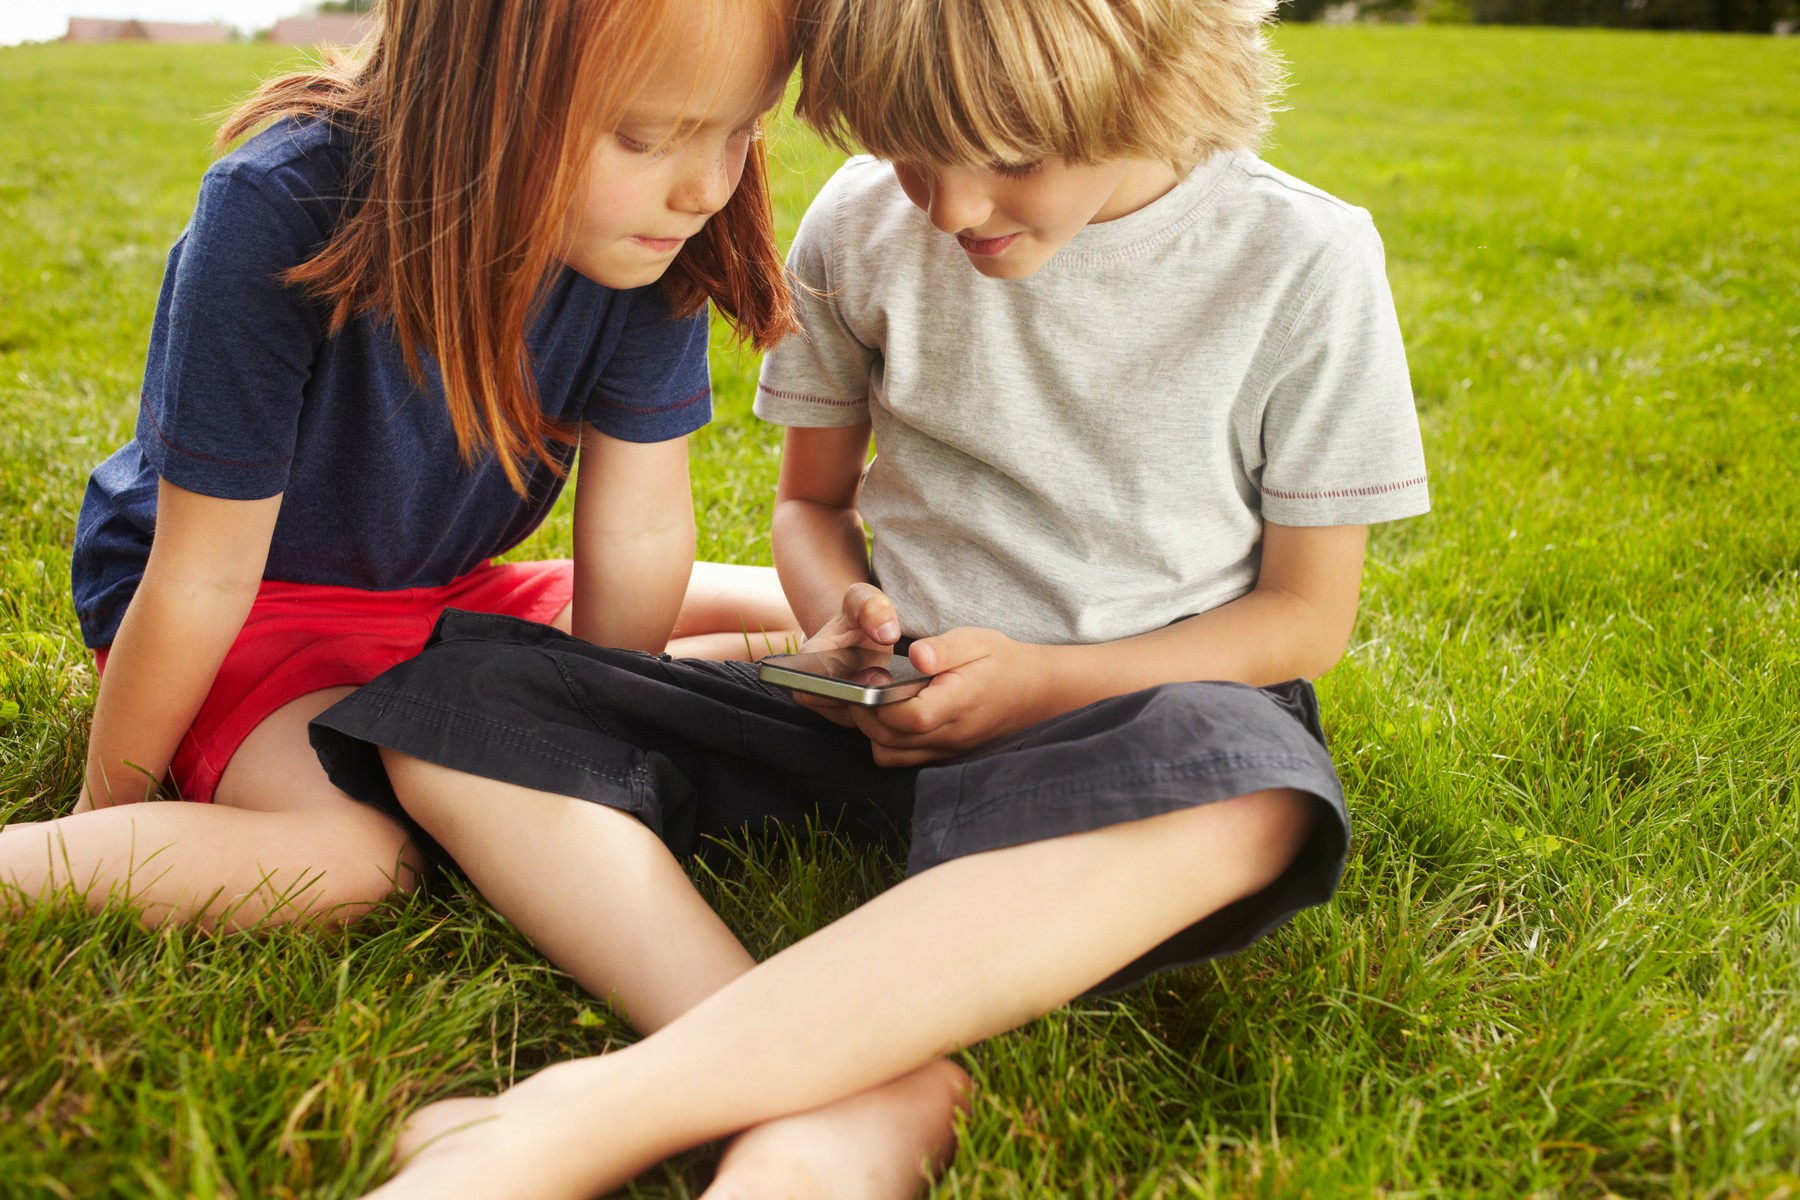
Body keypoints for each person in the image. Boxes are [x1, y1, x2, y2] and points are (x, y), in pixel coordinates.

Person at [309, 0, 1432, 1194]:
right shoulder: (865, 223)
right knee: (459, 694)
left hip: (1124, 730)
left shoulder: (1304, 258)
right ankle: (850, 1090)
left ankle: (592, 1115)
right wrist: (845, 621)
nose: (949, 209)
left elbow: (1303, 621)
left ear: (1156, 86)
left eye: (1008, 161)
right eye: (906, 154)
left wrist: (1046, 683)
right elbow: (812, 509)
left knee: (1250, 785)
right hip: (878, 722)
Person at [0, 0, 803, 931]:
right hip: (256, 611)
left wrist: (588, 729)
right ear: (478, 94)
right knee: (361, 861)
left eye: (739, 131)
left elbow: (642, 530)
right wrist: (109, 823)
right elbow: (202, 574)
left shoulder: (643, 243)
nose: (706, 189)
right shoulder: (279, 208)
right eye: (642, 137)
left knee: (818, 611)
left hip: (446, 594)